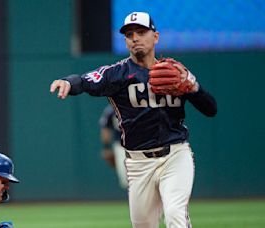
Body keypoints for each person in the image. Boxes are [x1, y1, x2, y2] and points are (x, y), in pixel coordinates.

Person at [50, 11, 217, 228]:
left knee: (175, 213)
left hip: (175, 155)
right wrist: (68, 83)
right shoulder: (117, 74)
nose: (135, 38)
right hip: (138, 163)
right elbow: (85, 80)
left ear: (155, 37)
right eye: (129, 35)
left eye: (141, 32)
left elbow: (210, 109)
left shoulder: (176, 72)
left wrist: (193, 87)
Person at [99, 104, 128, 189]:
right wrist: (106, 147)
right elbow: (105, 129)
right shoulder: (111, 110)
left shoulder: (135, 106)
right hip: (120, 146)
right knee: (125, 177)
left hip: (140, 144)